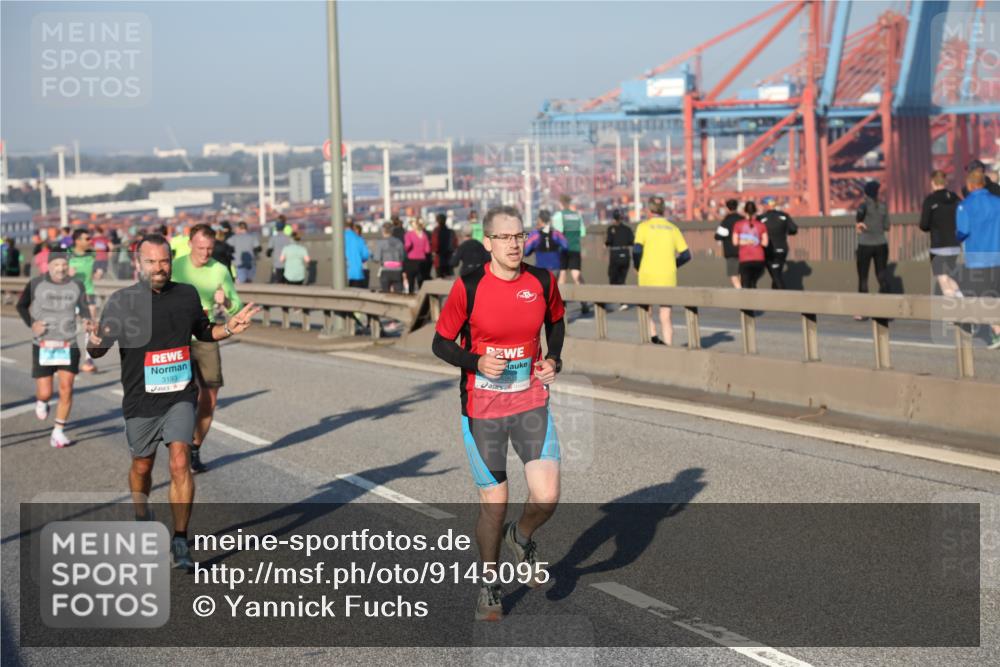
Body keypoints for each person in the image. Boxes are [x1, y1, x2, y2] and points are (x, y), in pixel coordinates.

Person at [86, 234, 259, 570]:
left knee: (180, 460)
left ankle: (180, 538)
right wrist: (93, 339)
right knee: (142, 466)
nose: (159, 268)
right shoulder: (122, 302)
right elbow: (98, 349)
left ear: (170, 260)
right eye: (151, 262)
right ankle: (140, 512)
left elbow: (204, 331)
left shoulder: (186, 294)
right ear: (138, 263)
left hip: (179, 394)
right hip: (140, 400)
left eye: (164, 261)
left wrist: (229, 328)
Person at [431, 205, 565, 622]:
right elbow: (440, 343)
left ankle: (521, 536)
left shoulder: (542, 280)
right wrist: (474, 362)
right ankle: (490, 583)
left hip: (529, 400)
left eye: (519, 236)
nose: (513, 244)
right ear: (487, 242)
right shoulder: (468, 287)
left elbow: (556, 323)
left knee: (547, 496)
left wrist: (554, 360)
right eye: (504, 237)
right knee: (496, 502)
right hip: (482, 406)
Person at [171, 224, 243, 473]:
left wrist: (228, 301)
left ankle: (194, 447)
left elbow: (237, 308)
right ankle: (178, 445)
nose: (205, 253)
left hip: (205, 335)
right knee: (180, 398)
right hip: (177, 336)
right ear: (190, 244)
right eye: (200, 248)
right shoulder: (175, 266)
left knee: (209, 397)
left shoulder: (219, 269)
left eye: (209, 249)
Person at [16, 251, 92, 447]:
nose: (61, 268)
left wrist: (86, 319)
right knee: (45, 392)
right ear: (48, 266)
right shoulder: (36, 283)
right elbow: (21, 306)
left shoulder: (77, 284)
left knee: (67, 388)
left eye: (64, 264)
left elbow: (83, 308)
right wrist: (33, 323)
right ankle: (42, 401)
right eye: (56, 264)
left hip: (69, 343)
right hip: (43, 344)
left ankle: (58, 431)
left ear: (68, 265)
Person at [633, 196, 691, 345]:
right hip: (668, 276)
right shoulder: (673, 228)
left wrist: (637, 266)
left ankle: (653, 336)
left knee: (646, 311)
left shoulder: (643, 227)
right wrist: (673, 264)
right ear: (663, 209)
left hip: (647, 275)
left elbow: (637, 250)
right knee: (666, 316)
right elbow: (686, 255)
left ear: (649, 210)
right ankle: (668, 347)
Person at [956, 170, 1000, 349]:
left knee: (983, 298)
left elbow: (962, 232)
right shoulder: (997, 202)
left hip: (977, 259)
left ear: (970, 185)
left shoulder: (964, 206)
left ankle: (997, 331)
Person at [919, 170, 962, 297]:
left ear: (932, 182)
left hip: (938, 245)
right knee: (947, 276)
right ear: (946, 182)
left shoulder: (930, 200)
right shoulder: (955, 198)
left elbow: (924, 225)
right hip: (954, 245)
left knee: (942, 277)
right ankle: (961, 299)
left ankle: (952, 310)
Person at [551, 194, 589, 313]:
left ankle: (561, 304)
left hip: (563, 250)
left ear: (560, 204)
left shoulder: (558, 216)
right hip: (575, 249)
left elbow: (558, 234)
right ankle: (584, 301)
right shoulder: (577, 215)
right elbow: (583, 233)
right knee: (576, 275)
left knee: (562, 276)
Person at [855, 180, 892, 301]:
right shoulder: (883, 206)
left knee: (863, 277)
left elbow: (858, 222)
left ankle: (863, 310)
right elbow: (887, 226)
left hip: (865, 245)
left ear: (865, 193)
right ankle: (887, 308)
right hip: (881, 244)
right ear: (877, 193)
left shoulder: (862, 206)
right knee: (882, 276)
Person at [68, 229, 99, 373]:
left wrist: (99, 271)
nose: (90, 241)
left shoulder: (92, 253)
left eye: (90, 238)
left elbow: (100, 266)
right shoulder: (67, 254)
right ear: (77, 241)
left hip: (88, 293)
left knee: (89, 326)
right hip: (71, 294)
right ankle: (65, 356)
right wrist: (66, 273)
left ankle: (88, 359)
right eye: (87, 239)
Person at [758, 197, 798, 289]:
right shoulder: (784, 216)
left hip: (768, 249)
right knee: (776, 274)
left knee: (775, 275)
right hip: (782, 248)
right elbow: (793, 230)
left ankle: (783, 297)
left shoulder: (761, 218)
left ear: (765, 205)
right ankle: (776, 296)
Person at [733, 201, 769, 289]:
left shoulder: (738, 225)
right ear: (755, 211)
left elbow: (735, 242)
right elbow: (765, 243)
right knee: (753, 283)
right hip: (759, 258)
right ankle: (755, 302)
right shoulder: (761, 225)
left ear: (744, 211)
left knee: (745, 284)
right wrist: (755, 241)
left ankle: (747, 302)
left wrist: (746, 241)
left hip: (745, 259)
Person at [524, 210, 567, 279]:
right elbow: (566, 246)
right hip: (556, 268)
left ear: (539, 220)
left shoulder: (535, 235)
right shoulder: (556, 234)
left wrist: (534, 249)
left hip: (541, 269)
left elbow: (526, 252)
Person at [714, 199, 743, 289]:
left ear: (727, 208)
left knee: (733, 275)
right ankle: (745, 291)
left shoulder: (726, 221)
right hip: (744, 250)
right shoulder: (742, 220)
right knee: (742, 274)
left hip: (731, 251)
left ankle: (740, 293)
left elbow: (717, 236)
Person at [604, 208, 634, 291]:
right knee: (622, 278)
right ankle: (623, 301)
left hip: (615, 254)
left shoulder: (611, 229)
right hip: (625, 254)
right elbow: (632, 241)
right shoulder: (627, 229)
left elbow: (608, 241)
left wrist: (606, 244)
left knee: (613, 276)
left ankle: (614, 297)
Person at [374, 221, 406, 293]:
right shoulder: (399, 242)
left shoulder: (380, 242)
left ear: (383, 230)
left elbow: (377, 258)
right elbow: (403, 257)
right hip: (398, 270)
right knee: (398, 294)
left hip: (386, 270)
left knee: (385, 293)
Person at [404, 219, 431, 293]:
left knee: (411, 282)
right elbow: (427, 250)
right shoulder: (424, 235)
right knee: (421, 281)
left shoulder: (408, 234)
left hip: (411, 260)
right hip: (422, 260)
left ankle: (410, 297)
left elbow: (407, 245)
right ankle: (422, 298)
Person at [345, 221, 371, 288]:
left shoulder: (339, 237)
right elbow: (365, 255)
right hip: (356, 272)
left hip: (342, 274)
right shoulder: (359, 239)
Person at [431, 213, 456, 278]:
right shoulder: (451, 232)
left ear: (437, 221)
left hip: (439, 258)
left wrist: (433, 251)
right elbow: (455, 244)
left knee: (440, 279)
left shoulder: (436, 232)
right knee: (449, 279)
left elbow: (434, 244)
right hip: (449, 257)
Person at [267, 219, 292, 283]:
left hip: (277, 263)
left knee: (277, 281)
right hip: (287, 263)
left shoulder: (273, 238)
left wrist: (269, 254)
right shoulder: (288, 238)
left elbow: (269, 250)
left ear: (276, 228)